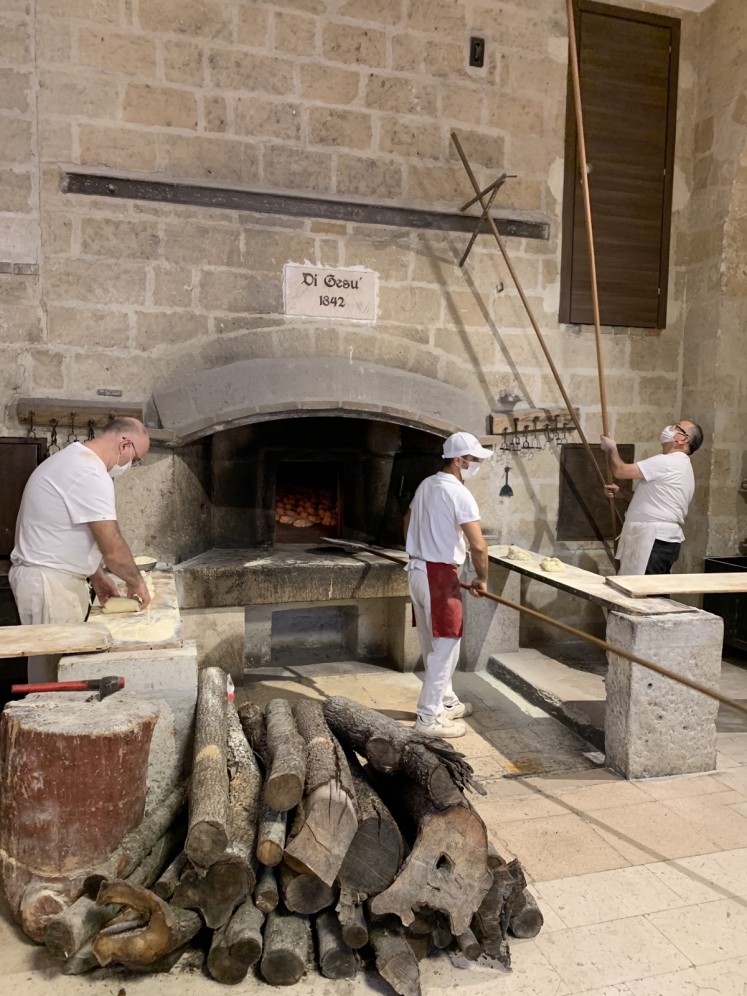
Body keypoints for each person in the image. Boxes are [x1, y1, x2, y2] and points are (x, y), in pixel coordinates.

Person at [10, 417, 152, 681]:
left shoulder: (74, 461)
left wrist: (96, 576)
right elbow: (112, 545)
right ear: (125, 444)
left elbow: (67, 533)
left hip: (51, 580)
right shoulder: (89, 471)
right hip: (50, 585)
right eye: (137, 458)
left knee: (59, 673)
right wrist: (136, 583)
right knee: (54, 680)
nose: (132, 465)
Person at [404, 431, 491, 738]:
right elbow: (478, 545)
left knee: (433, 643)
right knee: (446, 646)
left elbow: (408, 518)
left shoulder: (426, 484)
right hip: (439, 575)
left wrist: (420, 545)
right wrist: (481, 578)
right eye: (474, 459)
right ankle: (427, 718)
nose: (477, 464)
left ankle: (447, 701)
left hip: (416, 570)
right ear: (458, 460)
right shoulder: (460, 493)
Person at [600, 419, 704, 576]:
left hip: (654, 541)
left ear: (683, 439)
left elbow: (621, 471)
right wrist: (622, 494)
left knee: (648, 596)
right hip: (658, 540)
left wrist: (612, 449)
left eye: (676, 427)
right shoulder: (679, 464)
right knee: (651, 594)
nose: (670, 427)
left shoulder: (669, 462)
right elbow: (657, 501)